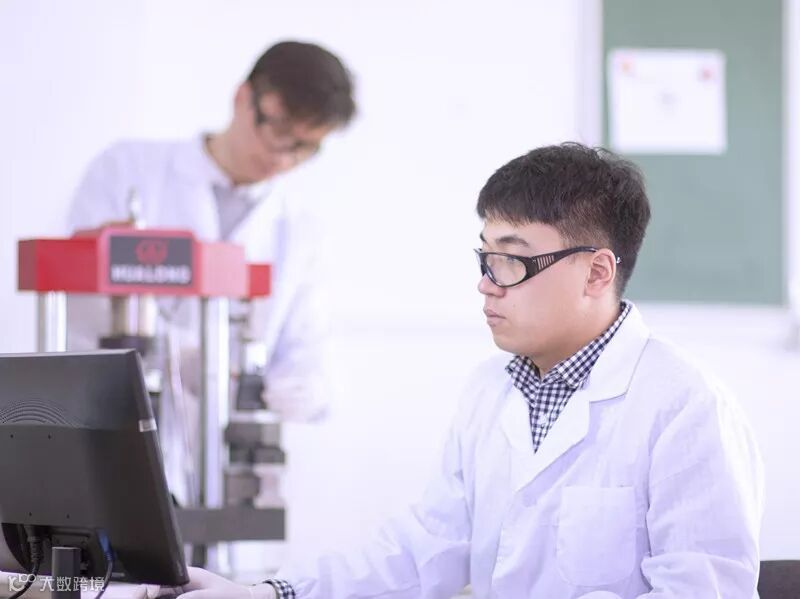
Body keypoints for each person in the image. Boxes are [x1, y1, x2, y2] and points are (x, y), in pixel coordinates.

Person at [179, 143, 764, 598]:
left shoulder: (684, 407)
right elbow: (424, 550)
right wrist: (264, 593)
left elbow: (702, 592)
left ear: (596, 273)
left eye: (512, 260)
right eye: (486, 257)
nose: (487, 284)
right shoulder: (490, 390)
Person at [65, 41, 356, 503]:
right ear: (243, 97)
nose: (283, 157)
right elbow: (79, 300)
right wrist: (177, 356)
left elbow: (306, 345)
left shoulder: (301, 228)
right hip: (112, 434)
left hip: (227, 467)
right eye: (278, 130)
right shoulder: (128, 170)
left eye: (305, 147)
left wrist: (308, 388)